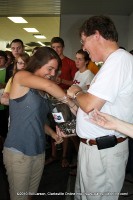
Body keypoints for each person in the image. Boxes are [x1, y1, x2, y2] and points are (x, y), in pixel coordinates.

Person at [65, 15, 133, 200]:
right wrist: (75, 106)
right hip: (96, 150)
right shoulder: (111, 63)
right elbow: (100, 107)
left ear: (96, 35)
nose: (83, 47)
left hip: (103, 152)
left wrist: (78, 93)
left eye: (83, 41)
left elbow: (90, 104)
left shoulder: (118, 60)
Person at [3, 47, 77, 200]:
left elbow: (37, 120)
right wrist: (71, 104)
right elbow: (49, 85)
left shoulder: (42, 92)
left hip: (38, 151)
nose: (51, 74)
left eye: (54, 70)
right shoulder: (21, 76)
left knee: (30, 196)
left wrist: (52, 134)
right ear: (38, 63)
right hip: (19, 151)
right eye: (49, 68)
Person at [47, 37, 77, 168]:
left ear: (63, 47)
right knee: (52, 127)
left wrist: (62, 81)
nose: (56, 50)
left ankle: (65, 156)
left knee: (65, 129)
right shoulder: (48, 62)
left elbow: (76, 84)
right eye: (53, 47)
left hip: (64, 101)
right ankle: (54, 155)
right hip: (49, 99)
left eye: (58, 47)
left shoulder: (70, 62)